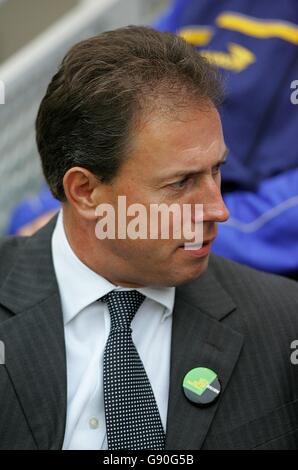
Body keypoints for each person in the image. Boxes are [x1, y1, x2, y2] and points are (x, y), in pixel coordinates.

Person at [0, 26, 297, 451]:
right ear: (85, 192)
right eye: (181, 183)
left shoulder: (284, 326)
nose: (218, 210)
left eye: (216, 171)